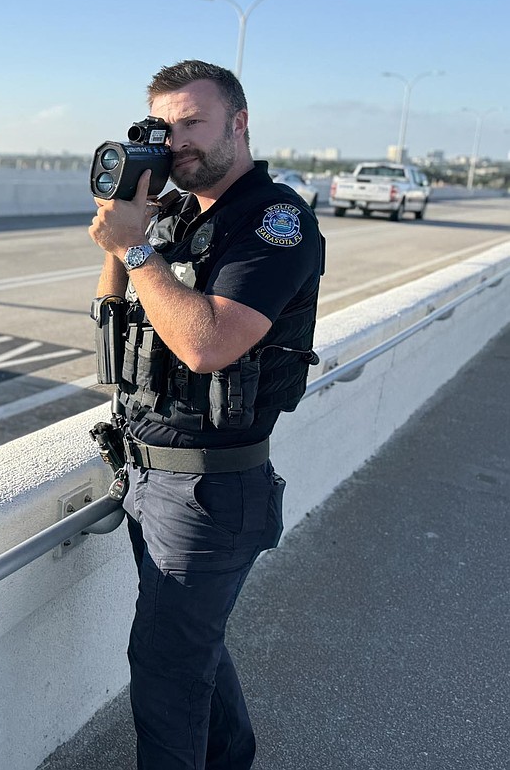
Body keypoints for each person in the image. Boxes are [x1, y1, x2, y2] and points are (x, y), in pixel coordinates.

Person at [88, 59, 324, 769]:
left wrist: (133, 244)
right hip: (151, 480)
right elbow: (112, 325)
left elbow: (206, 343)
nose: (178, 139)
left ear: (239, 122)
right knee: (191, 649)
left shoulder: (274, 218)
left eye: (193, 121)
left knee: (165, 669)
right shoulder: (182, 216)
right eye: (167, 126)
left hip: (208, 493)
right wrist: (128, 221)